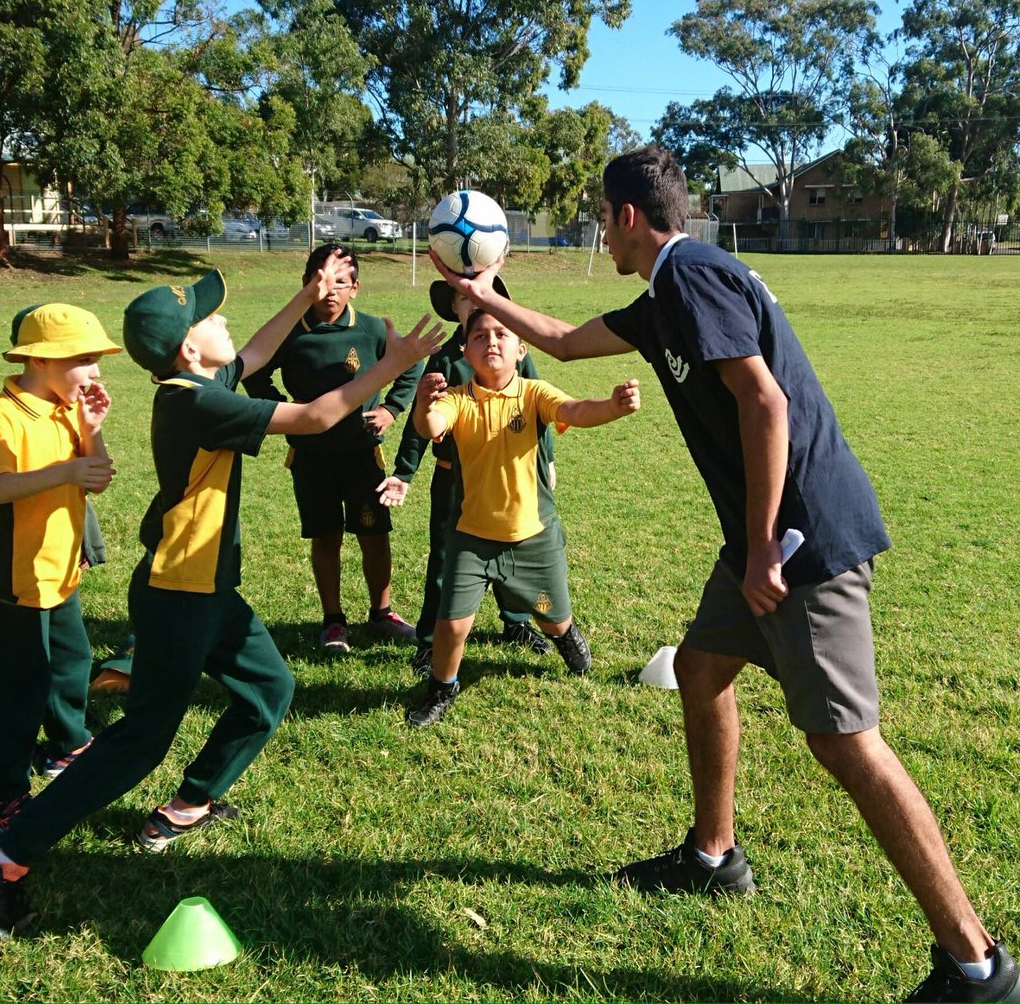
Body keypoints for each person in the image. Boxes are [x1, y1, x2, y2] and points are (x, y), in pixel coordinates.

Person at [430, 145, 1017, 1002]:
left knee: (846, 742)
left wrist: (762, 545)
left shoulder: (692, 276)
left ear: (629, 216)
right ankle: (713, 857)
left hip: (799, 542)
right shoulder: (664, 295)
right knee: (702, 671)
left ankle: (977, 965)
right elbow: (562, 340)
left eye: (603, 218)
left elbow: (765, 402)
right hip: (760, 540)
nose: (600, 232)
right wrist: (482, 295)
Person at [0, 259, 443, 945]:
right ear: (187, 347)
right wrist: (394, 364)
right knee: (140, 742)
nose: (226, 321)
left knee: (269, 690)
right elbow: (316, 415)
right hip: (178, 593)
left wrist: (305, 295)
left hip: (210, 589)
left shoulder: (199, 384)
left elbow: (256, 353)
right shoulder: (196, 403)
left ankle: (189, 804)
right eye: (211, 318)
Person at [404, 308, 640, 727]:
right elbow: (430, 425)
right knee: (452, 625)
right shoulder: (456, 398)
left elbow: (574, 410)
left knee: (550, 614)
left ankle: (565, 635)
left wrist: (612, 406)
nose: (491, 342)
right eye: (479, 336)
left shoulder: (533, 393)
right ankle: (442, 689)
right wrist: (423, 405)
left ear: (521, 349)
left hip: (532, 538)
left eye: (502, 334)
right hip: (472, 539)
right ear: (465, 351)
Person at [0, 303, 120, 835]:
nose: (94, 371)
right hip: (14, 577)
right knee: (20, 688)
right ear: (41, 360)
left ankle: (68, 744)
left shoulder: (67, 408)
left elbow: (96, 476)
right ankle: (2, 796)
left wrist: (91, 430)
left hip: (59, 568)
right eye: (83, 359)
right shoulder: (3, 415)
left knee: (73, 661)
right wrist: (65, 471)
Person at [243, 243, 425, 655]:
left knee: (373, 534)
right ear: (306, 283)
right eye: (322, 280)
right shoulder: (290, 332)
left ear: (355, 288)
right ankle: (333, 620)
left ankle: (382, 613)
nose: (331, 290)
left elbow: (410, 363)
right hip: (311, 458)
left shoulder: (371, 329)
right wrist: (283, 410)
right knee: (325, 536)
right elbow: (253, 373)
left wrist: (392, 409)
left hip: (362, 454)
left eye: (341, 282)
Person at [376, 279, 557, 671]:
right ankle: (430, 641)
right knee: (446, 560)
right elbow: (421, 420)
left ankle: (517, 622)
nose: (475, 302)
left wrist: (548, 462)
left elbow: (539, 408)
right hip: (453, 482)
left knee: (514, 552)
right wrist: (404, 472)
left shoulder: (513, 348)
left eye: (482, 294)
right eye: (465, 297)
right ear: (454, 308)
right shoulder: (443, 359)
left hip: (510, 478)